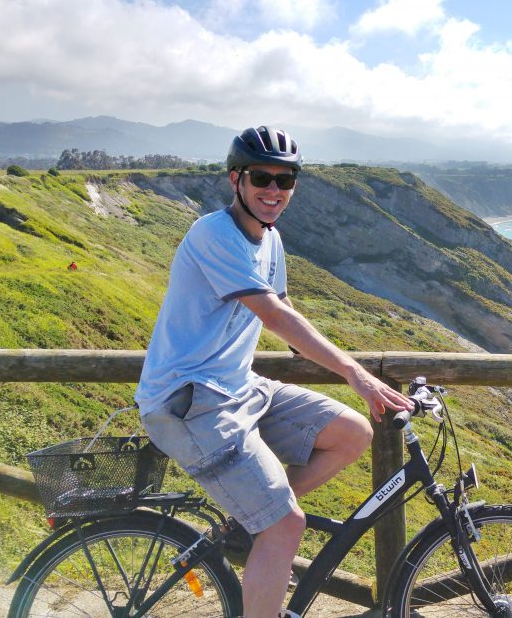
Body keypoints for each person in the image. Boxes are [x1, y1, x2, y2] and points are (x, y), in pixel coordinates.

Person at [135, 125, 412, 618]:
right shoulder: (212, 233)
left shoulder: (271, 239)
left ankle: (252, 517)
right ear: (235, 179)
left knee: (351, 433)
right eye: (262, 177)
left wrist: (334, 359)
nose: (273, 190)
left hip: (239, 388)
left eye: (285, 181)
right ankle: (267, 525)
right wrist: (355, 373)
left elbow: (287, 312)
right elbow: (275, 315)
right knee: (286, 526)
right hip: (189, 401)